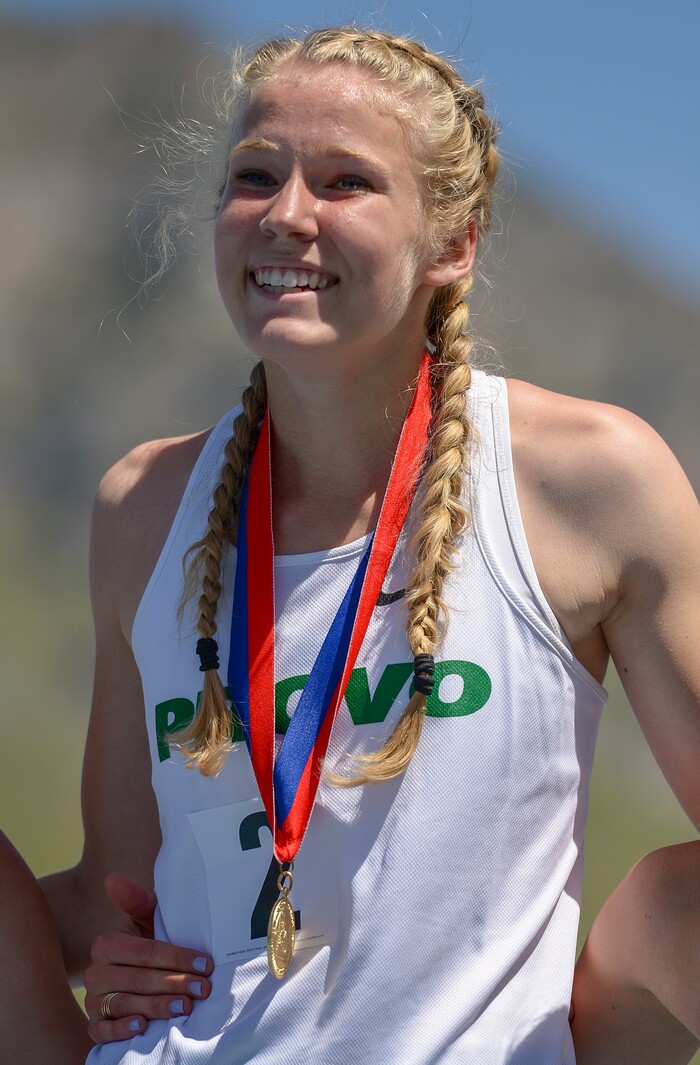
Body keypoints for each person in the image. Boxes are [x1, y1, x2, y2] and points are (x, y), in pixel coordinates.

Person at [3, 25, 700, 1065]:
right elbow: (123, 879)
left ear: (453, 244)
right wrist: (109, 953)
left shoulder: (584, 480)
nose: (286, 215)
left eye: (344, 183)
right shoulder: (143, 506)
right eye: (253, 176)